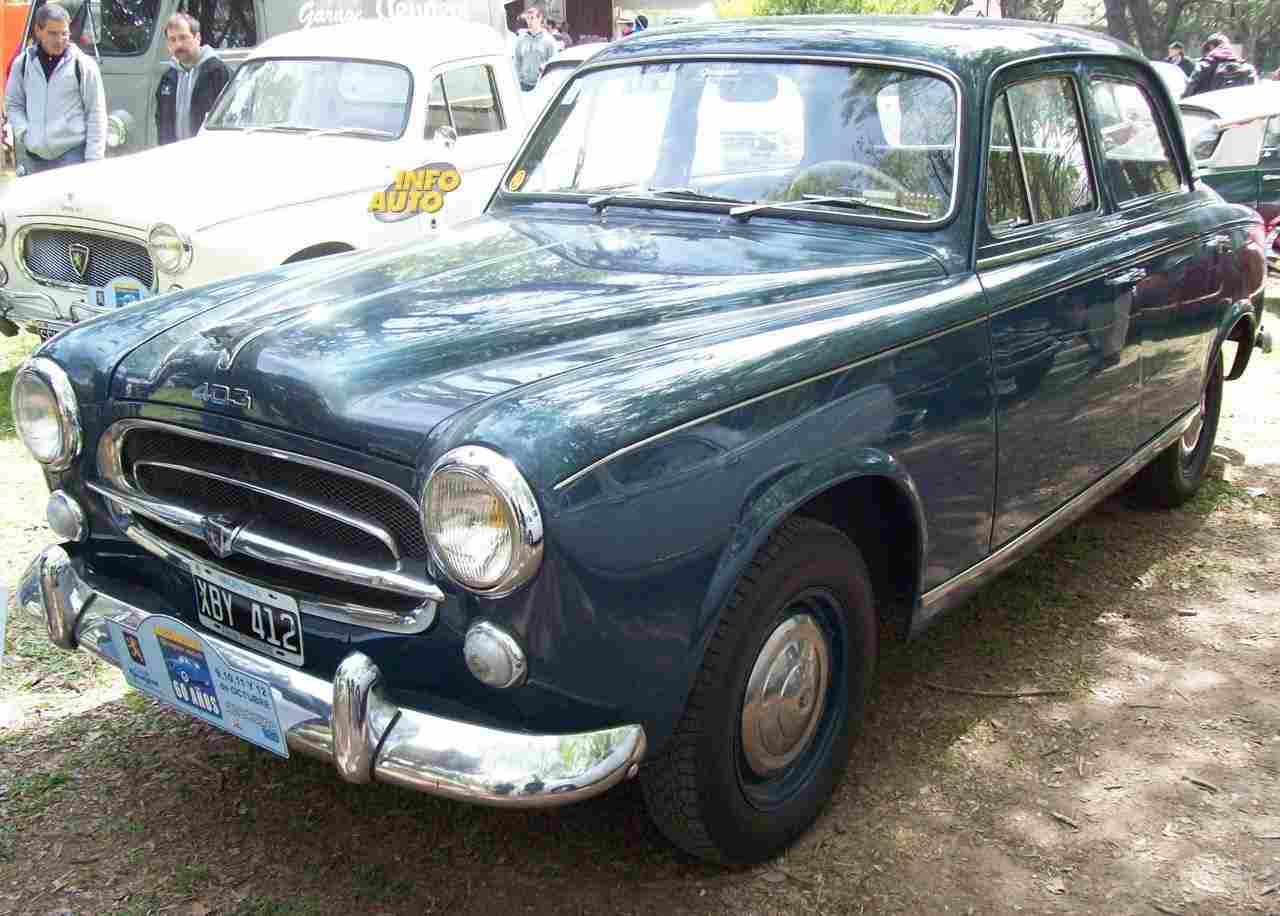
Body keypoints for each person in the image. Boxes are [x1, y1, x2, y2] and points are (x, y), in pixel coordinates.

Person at [3, 3, 105, 173]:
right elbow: (13, 104)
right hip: (34, 157)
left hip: (72, 156)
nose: (59, 40)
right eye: (53, 33)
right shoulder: (22, 64)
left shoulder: (84, 65)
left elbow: (96, 114)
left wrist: (94, 162)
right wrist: (25, 133)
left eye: (64, 33)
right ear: (38, 31)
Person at [155, 13, 231, 145]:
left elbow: (229, 119)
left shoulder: (217, 72)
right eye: (172, 39)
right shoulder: (168, 78)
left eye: (183, 37)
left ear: (198, 38)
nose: (178, 44)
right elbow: (161, 121)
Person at [1184, 33, 1257, 97]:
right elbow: (1254, 93)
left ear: (1211, 46)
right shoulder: (1248, 67)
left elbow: (1189, 90)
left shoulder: (1203, 65)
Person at [513, 5, 557, 91]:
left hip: (542, 85)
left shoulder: (549, 40)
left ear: (539, 18)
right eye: (527, 18)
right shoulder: (521, 39)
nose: (529, 21)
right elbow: (517, 60)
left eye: (532, 18)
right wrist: (519, 77)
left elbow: (554, 62)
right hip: (524, 84)